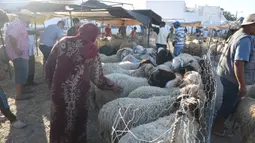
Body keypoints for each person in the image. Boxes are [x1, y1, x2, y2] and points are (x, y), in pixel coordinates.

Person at [45, 23, 123, 143]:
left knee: (59, 120)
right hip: (79, 96)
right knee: (77, 123)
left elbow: (49, 65)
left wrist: (52, 85)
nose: (96, 39)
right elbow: (98, 79)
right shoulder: (92, 49)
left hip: (59, 92)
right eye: (96, 36)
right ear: (92, 35)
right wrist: (113, 85)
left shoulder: (63, 42)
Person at [213, 13, 255, 137]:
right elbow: (238, 63)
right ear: (252, 25)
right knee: (229, 103)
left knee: (229, 102)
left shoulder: (237, 34)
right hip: (232, 78)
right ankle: (217, 128)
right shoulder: (245, 40)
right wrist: (242, 85)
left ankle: (219, 124)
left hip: (226, 73)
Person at [0, 8, 27, 129]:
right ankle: (13, 119)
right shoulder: (16, 25)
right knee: (1, 96)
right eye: (1, 23)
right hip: (16, 56)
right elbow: (11, 37)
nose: (1, 26)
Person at [5, 9, 34, 100]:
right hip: (18, 54)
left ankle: (22, 90)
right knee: (20, 74)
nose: (29, 18)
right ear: (22, 16)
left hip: (21, 54)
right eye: (28, 16)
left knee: (23, 73)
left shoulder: (21, 24)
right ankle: (18, 95)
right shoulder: (17, 24)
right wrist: (16, 49)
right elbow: (12, 36)